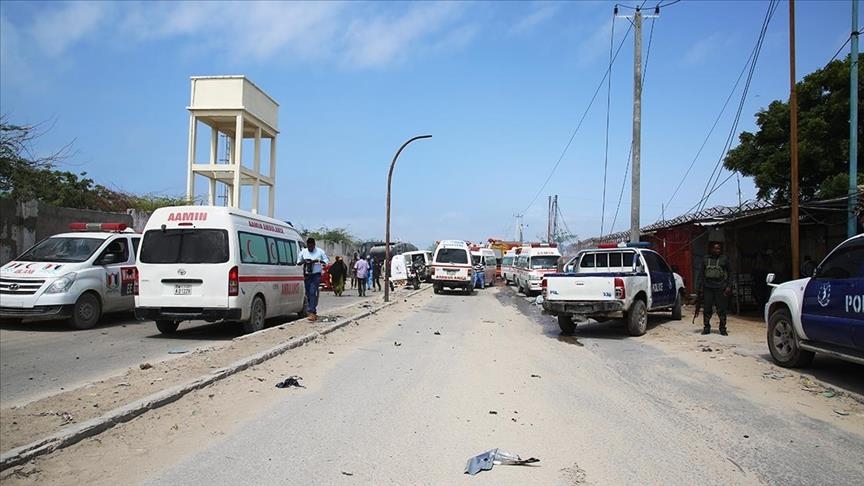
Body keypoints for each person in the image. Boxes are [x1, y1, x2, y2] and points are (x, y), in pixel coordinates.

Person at [697, 241, 733, 336]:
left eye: (718, 249)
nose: (717, 250)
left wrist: (729, 286)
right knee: (707, 308)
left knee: (721, 309)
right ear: (711, 249)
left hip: (720, 287)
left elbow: (730, 273)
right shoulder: (705, 259)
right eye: (715, 248)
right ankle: (706, 327)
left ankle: (722, 328)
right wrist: (700, 288)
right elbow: (701, 274)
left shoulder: (724, 259)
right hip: (708, 287)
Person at [297, 237, 328, 322]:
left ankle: (311, 312)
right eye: (309, 246)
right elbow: (298, 262)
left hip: (316, 275)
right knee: (308, 293)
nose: (310, 248)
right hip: (307, 275)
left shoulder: (320, 252)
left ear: (314, 245)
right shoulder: (303, 252)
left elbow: (326, 261)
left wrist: (317, 261)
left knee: (312, 292)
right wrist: (305, 261)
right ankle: (313, 310)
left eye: (311, 246)